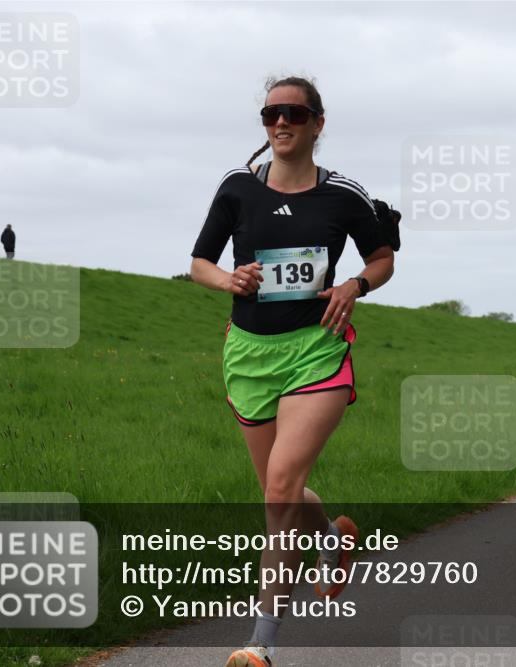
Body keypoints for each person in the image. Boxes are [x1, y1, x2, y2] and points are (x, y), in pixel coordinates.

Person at [190, 76, 396, 667]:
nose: (281, 123)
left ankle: (261, 641)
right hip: (250, 354)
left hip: (317, 350)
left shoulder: (343, 195)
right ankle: (333, 538)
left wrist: (355, 284)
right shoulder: (236, 189)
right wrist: (228, 279)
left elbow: (381, 258)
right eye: (270, 114)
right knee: (278, 491)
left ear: (317, 124)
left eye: (294, 114)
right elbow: (200, 260)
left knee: (280, 489)